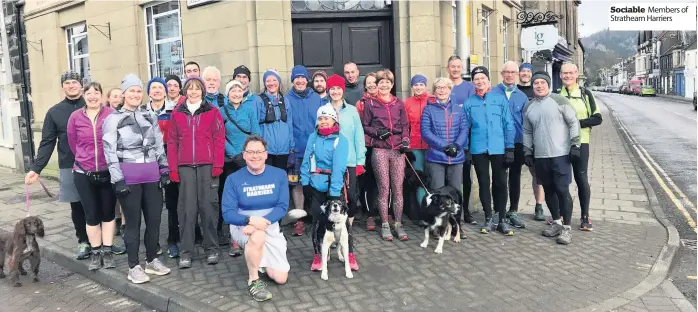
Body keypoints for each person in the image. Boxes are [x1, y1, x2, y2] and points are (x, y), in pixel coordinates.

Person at [102, 74, 171, 284]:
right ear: (124, 94)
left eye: (138, 91)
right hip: (128, 176)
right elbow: (109, 150)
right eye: (131, 90)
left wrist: (164, 168)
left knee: (154, 219)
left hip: (151, 175)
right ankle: (134, 266)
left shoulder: (149, 115)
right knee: (133, 222)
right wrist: (118, 179)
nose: (135, 94)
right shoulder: (113, 119)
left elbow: (158, 143)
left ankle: (151, 260)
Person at [25, 71, 91, 260]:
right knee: (77, 206)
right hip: (69, 165)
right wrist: (36, 169)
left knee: (97, 204)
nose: (71, 86)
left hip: (95, 164)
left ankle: (102, 242)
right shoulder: (54, 112)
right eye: (67, 83)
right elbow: (47, 142)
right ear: (63, 86)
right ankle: (83, 241)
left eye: (74, 82)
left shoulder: (91, 106)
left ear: (81, 84)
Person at [222, 135, 290, 302]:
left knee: (280, 278)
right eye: (250, 152)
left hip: (269, 225)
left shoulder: (279, 174)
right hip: (243, 226)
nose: (255, 156)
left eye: (259, 152)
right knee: (257, 237)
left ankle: (259, 258)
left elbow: (282, 206)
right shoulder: (232, 179)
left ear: (266, 154)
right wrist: (250, 221)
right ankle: (254, 280)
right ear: (244, 155)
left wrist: (261, 223)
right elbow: (228, 213)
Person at [167, 76, 225, 268]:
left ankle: (211, 249)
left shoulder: (213, 111)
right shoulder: (177, 113)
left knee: (208, 208)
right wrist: (173, 168)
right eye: (190, 89)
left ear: (202, 91)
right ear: (185, 91)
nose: (193, 92)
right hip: (184, 168)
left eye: (197, 88)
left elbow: (219, 138)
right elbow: (172, 142)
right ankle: (186, 251)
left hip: (207, 166)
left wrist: (218, 164)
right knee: (186, 211)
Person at [523, 71, 581, 245]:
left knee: (562, 191)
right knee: (548, 191)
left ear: (548, 85)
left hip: (561, 155)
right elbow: (527, 131)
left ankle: (567, 228)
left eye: (542, 82)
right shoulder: (529, 107)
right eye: (536, 83)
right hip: (541, 156)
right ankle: (556, 222)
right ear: (532, 86)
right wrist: (527, 151)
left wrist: (575, 145)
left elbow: (573, 122)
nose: (539, 86)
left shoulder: (560, 101)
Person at [67, 82, 117, 271]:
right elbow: (73, 142)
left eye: (96, 92)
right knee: (91, 214)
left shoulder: (111, 115)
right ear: (83, 95)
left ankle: (108, 251)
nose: (93, 96)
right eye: (88, 93)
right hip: (83, 172)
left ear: (102, 95)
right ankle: (96, 252)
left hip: (108, 171)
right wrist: (85, 159)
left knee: (108, 213)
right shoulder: (75, 117)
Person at [464, 66, 515, 236]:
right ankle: (488, 217)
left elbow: (509, 124)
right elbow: (465, 128)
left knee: (500, 183)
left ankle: (501, 219)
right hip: (478, 148)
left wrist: (510, 148)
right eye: (476, 79)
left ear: (488, 80)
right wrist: (466, 149)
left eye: (482, 78)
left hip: (499, 148)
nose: (480, 81)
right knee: (484, 183)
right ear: (473, 82)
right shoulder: (469, 103)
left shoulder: (499, 99)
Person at [361, 69, 410, 241]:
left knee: (398, 189)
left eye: (388, 82)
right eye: (381, 82)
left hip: (397, 150)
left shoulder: (399, 103)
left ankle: (398, 223)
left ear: (392, 84)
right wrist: (377, 132)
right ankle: (384, 224)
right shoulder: (371, 104)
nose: (384, 85)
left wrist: (405, 141)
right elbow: (365, 126)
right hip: (380, 149)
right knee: (384, 189)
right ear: (377, 84)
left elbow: (405, 125)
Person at [301, 105, 349, 271]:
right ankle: (318, 254)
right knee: (316, 221)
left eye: (326, 118)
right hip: (315, 184)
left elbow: (339, 167)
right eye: (320, 118)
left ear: (333, 120)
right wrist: (305, 182)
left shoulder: (340, 140)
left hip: (332, 186)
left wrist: (334, 193)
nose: (323, 122)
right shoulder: (312, 137)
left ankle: (348, 252)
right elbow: (306, 160)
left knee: (340, 222)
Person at [325, 74, 365, 270]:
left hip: (349, 161)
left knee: (350, 199)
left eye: (338, 88)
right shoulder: (323, 110)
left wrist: (360, 160)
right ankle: (332, 236)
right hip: (329, 163)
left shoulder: (351, 111)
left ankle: (346, 236)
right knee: (333, 199)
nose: (335, 91)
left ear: (343, 90)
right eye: (332, 88)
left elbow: (359, 136)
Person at [420, 77, 469, 238]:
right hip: (436, 157)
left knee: (456, 196)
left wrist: (456, 146)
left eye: (445, 88)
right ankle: (438, 227)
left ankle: (457, 227)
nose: (441, 90)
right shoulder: (429, 110)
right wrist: (444, 147)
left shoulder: (458, 109)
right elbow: (426, 133)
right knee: (437, 196)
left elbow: (464, 129)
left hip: (456, 158)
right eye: (438, 88)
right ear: (434, 91)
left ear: (450, 90)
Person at [556, 63, 602, 231]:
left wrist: (575, 124)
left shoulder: (585, 94)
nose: (567, 76)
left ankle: (585, 216)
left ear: (576, 74)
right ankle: (561, 215)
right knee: (560, 180)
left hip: (581, 142)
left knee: (581, 178)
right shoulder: (555, 95)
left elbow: (597, 118)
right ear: (560, 75)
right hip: (559, 143)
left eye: (570, 73)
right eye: (564, 73)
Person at [219, 79, 261, 257]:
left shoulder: (249, 110)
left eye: (239, 90)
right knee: (233, 200)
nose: (236, 94)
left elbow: (256, 133)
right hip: (230, 162)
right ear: (227, 94)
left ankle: (252, 233)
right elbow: (220, 136)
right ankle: (234, 239)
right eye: (232, 91)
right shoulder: (221, 111)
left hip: (247, 159)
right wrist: (234, 155)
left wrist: (248, 154)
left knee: (249, 198)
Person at [490, 61, 530, 229]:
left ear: (517, 74)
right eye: (506, 72)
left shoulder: (522, 96)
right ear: (502, 73)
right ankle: (498, 210)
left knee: (514, 177)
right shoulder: (492, 93)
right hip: (498, 142)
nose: (510, 75)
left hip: (517, 142)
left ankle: (513, 210)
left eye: (513, 72)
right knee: (499, 178)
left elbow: (526, 122)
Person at [287, 65, 324, 237]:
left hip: (314, 150)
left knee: (316, 182)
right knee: (297, 184)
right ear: (293, 80)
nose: (300, 81)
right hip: (295, 151)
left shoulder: (316, 98)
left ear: (306, 80)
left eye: (302, 78)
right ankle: (299, 220)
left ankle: (318, 216)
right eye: (297, 78)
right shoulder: (286, 99)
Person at [144, 77, 179, 258]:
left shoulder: (176, 109)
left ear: (166, 91)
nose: (157, 90)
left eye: (160, 87)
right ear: (149, 92)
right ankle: (153, 243)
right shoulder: (141, 112)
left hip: (171, 159)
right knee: (152, 206)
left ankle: (173, 240)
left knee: (173, 204)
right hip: (148, 162)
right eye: (153, 88)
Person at [447, 55, 477, 225]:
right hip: (447, 141)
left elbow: (470, 113)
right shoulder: (445, 85)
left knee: (466, 179)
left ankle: (466, 211)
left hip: (464, 142)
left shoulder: (469, 87)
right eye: (452, 66)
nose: (455, 69)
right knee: (450, 181)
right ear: (448, 68)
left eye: (458, 66)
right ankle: (450, 211)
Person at [517, 63, 545, 221]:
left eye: (528, 71)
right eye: (523, 71)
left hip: (533, 140)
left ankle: (539, 206)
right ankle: (512, 207)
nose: (525, 74)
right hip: (515, 140)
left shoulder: (537, 90)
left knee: (536, 175)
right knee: (512, 176)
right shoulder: (514, 90)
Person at [355, 72, 379, 230]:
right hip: (367, 145)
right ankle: (369, 214)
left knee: (384, 182)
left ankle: (386, 212)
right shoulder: (360, 103)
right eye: (368, 83)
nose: (371, 85)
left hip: (384, 144)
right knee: (368, 181)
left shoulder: (386, 100)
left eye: (373, 82)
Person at [257, 69, 294, 170]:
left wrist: (291, 146)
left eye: (274, 80)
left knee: (280, 179)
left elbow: (289, 124)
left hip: (283, 149)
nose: (271, 83)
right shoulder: (259, 100)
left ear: (279, 82)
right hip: (266, 150)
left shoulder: (285, 100)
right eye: (268, 81)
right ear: (265, 83)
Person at [404, 74, 429, 209]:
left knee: (432, 178)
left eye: (421, 84)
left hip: (431, 146)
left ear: (425, 86)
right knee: (419, 179)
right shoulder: (407, 103)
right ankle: (423, 210)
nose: (418, 87)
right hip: (414, 145)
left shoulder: (432, 100)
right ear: (412, 87)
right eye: (416, 85)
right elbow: (405, 125)